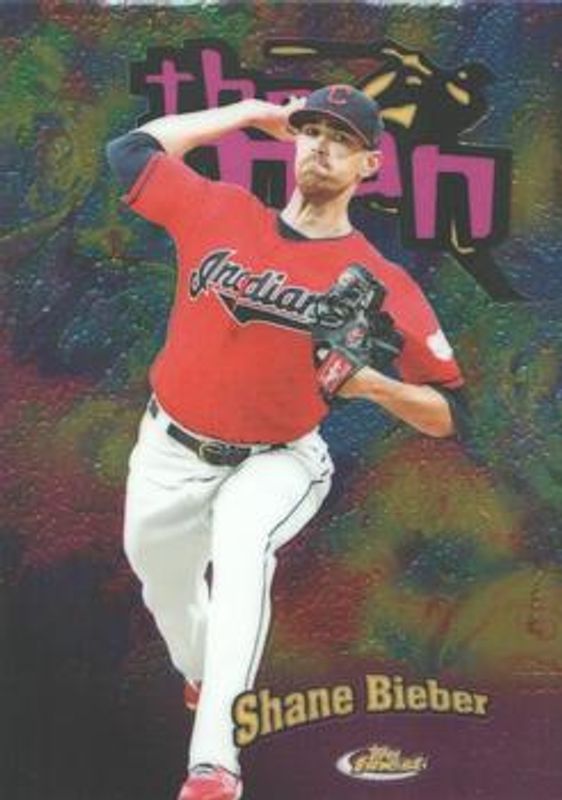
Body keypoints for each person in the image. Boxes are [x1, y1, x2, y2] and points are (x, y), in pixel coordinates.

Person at [107, 84, 466, 800]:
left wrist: (375, 386)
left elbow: (451, 412)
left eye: (342, 139)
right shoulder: (219, 210)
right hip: (170, 446)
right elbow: (129, 151)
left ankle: (215, 764)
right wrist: (248, 114)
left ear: (368, 165)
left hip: (279, 458)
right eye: (311, 131)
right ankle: (205, 671)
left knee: (243, 546)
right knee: (162, 582)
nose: (322, 146)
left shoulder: (381, 281)